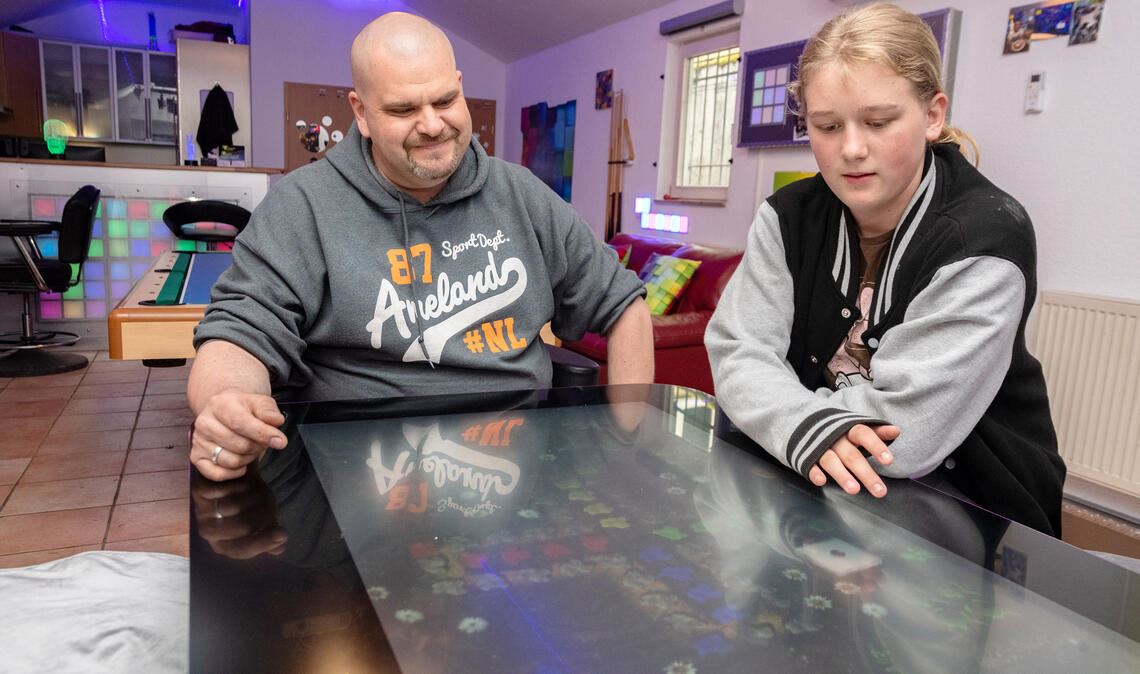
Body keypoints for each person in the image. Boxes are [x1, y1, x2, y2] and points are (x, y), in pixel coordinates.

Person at [188, 12, 653, 483]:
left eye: (446, 100)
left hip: (517, 465)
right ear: (361, 113)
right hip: (354, 467)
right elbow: (239, 333)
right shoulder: (302, 206)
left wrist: (624, 445)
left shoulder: (524, 197)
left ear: (459, 86)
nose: (432, 125)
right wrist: (228, 403)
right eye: (403, 110)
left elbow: (623, 306)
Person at [706, 3, 1065, 535]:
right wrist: (804, 423)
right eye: (827, 126)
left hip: (973, 502)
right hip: (821, 477)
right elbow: (740, 350)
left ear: (933, 115)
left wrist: (780, 411)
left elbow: (908, 432)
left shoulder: (986, 235)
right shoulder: (787, 216)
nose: (851, 149)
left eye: (878, 122)